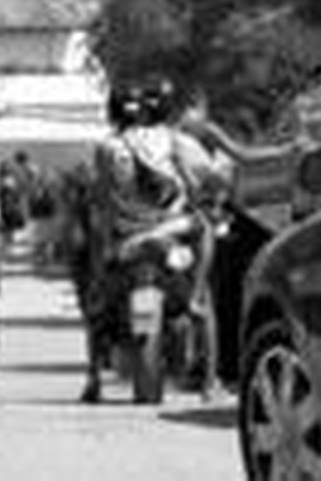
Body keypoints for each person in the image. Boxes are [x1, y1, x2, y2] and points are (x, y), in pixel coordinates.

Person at [80, 76, 229, 404]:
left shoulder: (106, 148)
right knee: (203, 280)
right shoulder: (174, 141)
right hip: (169, 232)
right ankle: (209, 382)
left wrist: (104, 246)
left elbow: (101, 200)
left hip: (125, 238)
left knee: (95, 301)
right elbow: (211, 180)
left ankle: (93, 378)